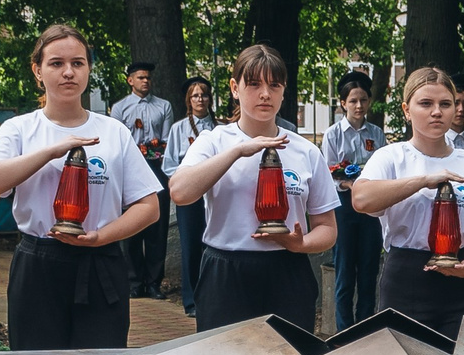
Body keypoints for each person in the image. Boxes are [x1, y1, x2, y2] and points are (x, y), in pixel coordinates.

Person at [0, 24, 161, 349]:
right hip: (39, 265)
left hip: (100, 261)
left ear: (88, 68)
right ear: (38, 70)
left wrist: (101, 237)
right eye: (56, 63)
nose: (68, 72)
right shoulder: (20, 129)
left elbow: (149, 207)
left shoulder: (113, 131)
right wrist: (50, 151)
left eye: (77, 63)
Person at [171, 44, 338, 329]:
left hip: (287, 269)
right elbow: (180, 192)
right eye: (254, 84)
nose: (265, 94)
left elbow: (328, 228)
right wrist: (238, 151)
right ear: (235, 88)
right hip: (225, 272)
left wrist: (302, 244)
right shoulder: (214, 142)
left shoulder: (305, 150)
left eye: (274, 85)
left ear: (284, 90)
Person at [351, 66, 464, 331]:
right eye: (426, 103)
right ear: (406, 110)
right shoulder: (391, 157)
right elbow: (362, 199)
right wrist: (424, 180)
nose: (437, 111)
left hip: (462, 282)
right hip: (406, 278)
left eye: (445, 104)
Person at [323, 74, 386, 328]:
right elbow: (328, 172)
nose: (359, 106)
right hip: (344, 207)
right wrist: (350, 183)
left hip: (371, 209)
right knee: (345, 271)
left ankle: (366, 328)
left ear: (369, 101)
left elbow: (383, 169)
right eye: (353, 101)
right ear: (342, 103)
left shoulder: (377, 134)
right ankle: (343, 332)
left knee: (369, 270)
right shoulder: (333, 135)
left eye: (363, 100)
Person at [109, 58, 175, 298]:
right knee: (131, 228)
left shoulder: (163, 106)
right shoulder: (120, 108)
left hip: (156, 167)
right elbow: (116, 141)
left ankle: (154, 283)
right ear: (130, 80)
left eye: (148, 77)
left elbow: (166, 138)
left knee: (157, 227)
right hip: (130, 170)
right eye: (141, 77)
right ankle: (134, 282)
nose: (145, 81)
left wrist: (155, 150)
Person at [162, 76, 216, 316]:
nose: (200, 99)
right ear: (189, 100)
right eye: (195, 95)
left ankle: (212, 295)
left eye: (203, 95)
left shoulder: (220, 128)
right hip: (190, 197)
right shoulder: (178, 129)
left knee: (212, 244)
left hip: (214, 194)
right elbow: (169, 164)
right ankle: (191, 300)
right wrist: (188, 179)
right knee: (191, 245)